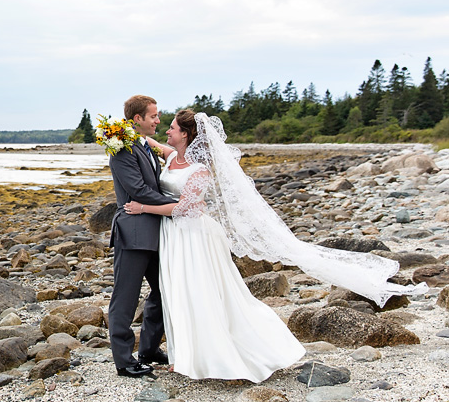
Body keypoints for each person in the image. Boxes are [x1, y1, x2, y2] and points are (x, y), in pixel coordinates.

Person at [124, 110, 427, 382]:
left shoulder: (200, 169)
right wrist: (119, 131)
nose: (167, 131)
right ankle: (186, 355)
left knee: (199, 292)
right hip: (175, 238)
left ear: (186, 134)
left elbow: (187, 208)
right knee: (179, 292)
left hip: (193, 238)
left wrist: (143, 209)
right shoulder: (171, 157)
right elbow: (145, 143)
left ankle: (215, 355)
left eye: (173, 127)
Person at [107, 95, 177, 377]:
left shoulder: (144, 146)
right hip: (133, 231)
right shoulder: (122, 149)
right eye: (153, 116)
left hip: (156, 232)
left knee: (163, 291)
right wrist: (177, 206)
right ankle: (124, 360)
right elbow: (138, 190)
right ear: (137, 119)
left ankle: (148, 349)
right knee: (125, 297)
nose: (157, 120)